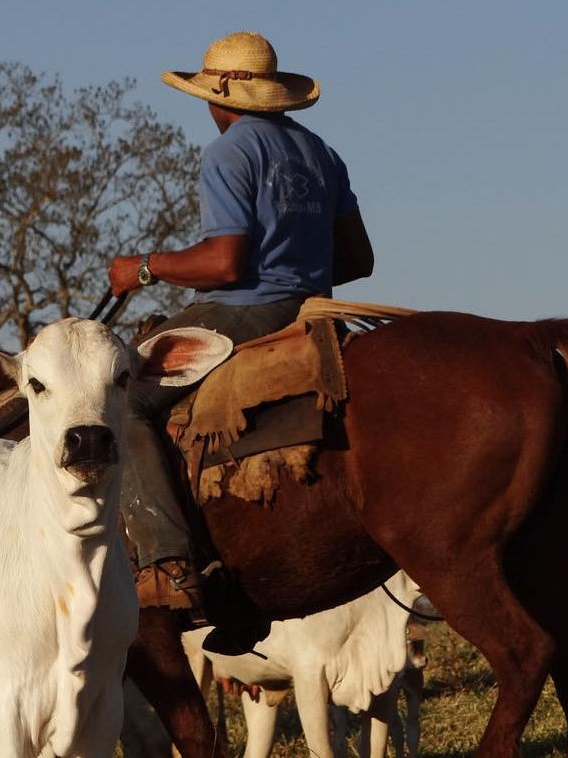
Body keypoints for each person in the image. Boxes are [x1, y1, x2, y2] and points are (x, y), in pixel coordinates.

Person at [107, 32, 374, 636]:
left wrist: (143, 268)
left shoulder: (229, 153)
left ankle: (167, 563)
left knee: (122, 399)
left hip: (248, 312)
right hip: (313, 311)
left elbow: (225, 264)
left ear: (220, 93)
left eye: (206, 90)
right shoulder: (321, 153)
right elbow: (358, 258)